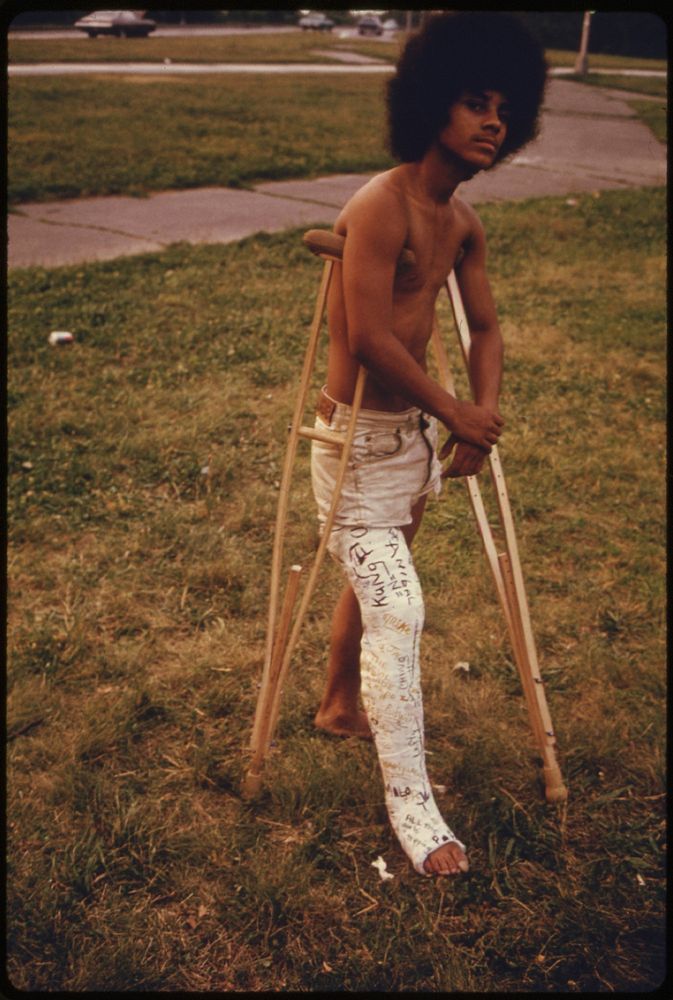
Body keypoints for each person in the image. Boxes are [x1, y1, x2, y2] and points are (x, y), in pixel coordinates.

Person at [310, 11, 548, 876]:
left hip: (409, 443)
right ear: (429, 109)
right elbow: (369, 334)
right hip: (352, 448)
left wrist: (477, 417)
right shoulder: (380, 205)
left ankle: (339, 705)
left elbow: (483, 327)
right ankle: (414, 810)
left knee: (375, 586)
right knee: (399, 608)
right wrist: (458, 411)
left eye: (503, 110)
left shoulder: (461, 223)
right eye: (474, 104)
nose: (492, 122)